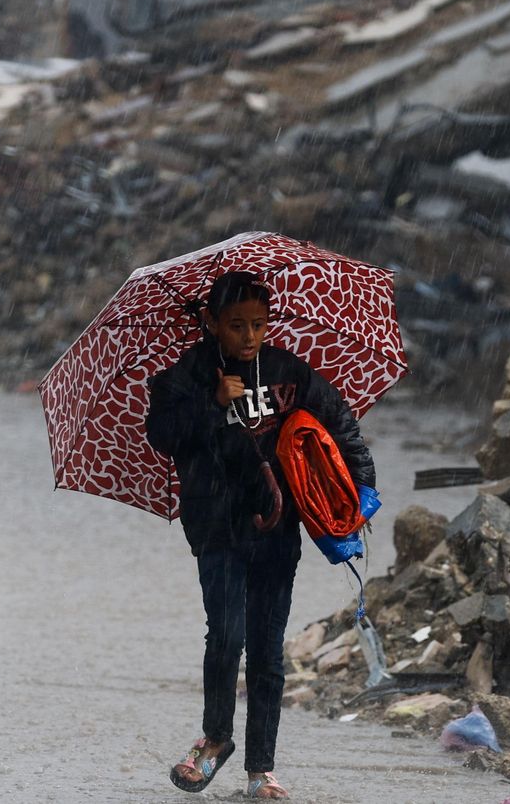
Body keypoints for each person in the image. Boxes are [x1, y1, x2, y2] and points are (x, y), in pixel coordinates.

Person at [145, 270, 376, 799]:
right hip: (215, 528)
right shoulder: (185, 377)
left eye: (258, 324)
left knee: (268, 651)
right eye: (236, 325)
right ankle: (216, 738)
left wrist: (362, 489)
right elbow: (163, 435)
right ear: (211, 323)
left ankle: (260, 770)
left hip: (278, 530)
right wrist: (212, 403)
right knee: (226, 637)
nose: (249, 336)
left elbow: (339, 423)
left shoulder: (287, 372)